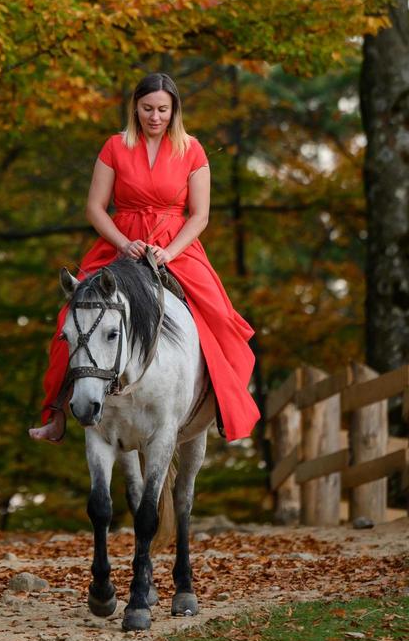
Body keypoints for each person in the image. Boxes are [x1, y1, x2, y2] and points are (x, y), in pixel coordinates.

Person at [28, 72, 260, 443]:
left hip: (175, 245)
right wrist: (123, 243)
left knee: (219, 316)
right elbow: (95, 207)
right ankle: (57, 412)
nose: (155, 117)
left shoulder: (192, 149)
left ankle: (222, 405)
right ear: (135, 107)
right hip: (120, 244)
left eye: (163, 110)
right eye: (148, 108)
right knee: (72, 316)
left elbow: (199, 215)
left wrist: (169, 251)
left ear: (174, 111)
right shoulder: (115, 146)